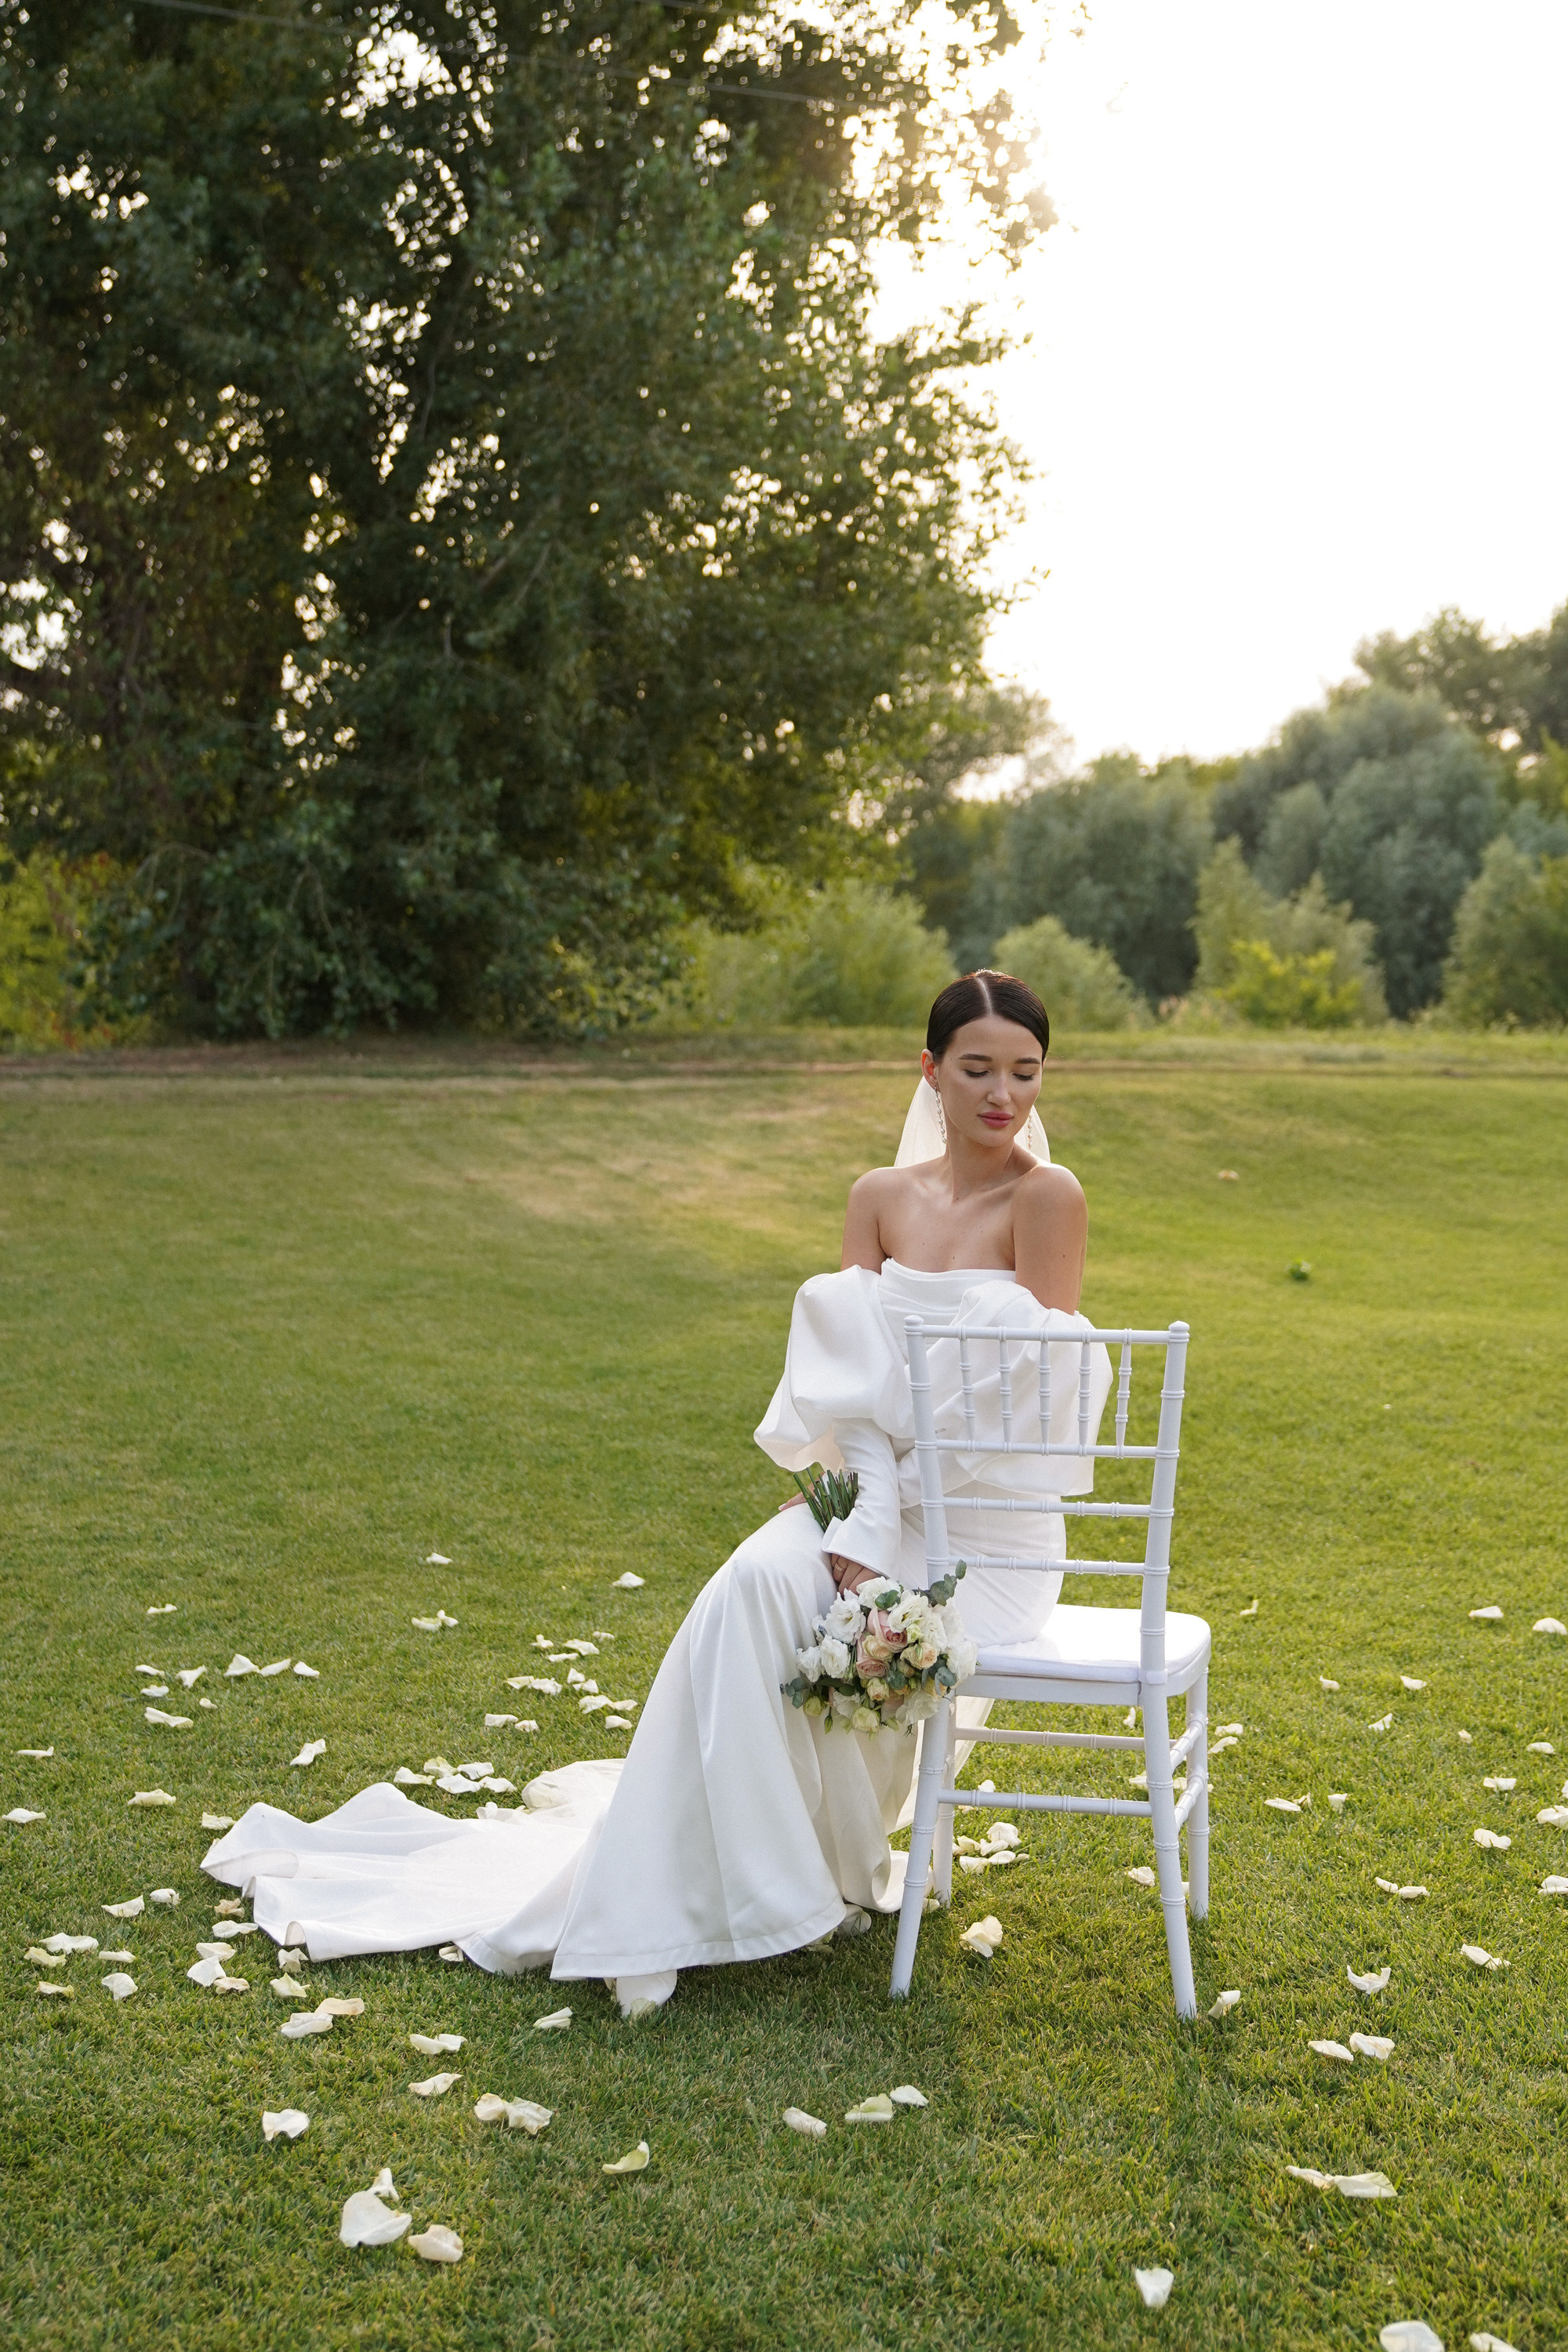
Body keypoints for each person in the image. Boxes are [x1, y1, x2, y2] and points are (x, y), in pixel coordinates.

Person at [202, 971, 1109, 2014]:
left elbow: (1028, 1408)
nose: (1004, 1095)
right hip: (874, 1501)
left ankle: (767, 1887)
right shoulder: (879, 1198)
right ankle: (669, 1904)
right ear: (931, 1072)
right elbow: (850, 1379)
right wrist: (848, 1504)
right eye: (979, 1069)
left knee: (801, 1591)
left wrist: (886, 1513)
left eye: (1026, 1073)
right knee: (748, 1591)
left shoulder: (1048, 1199)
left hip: (986, 1539)